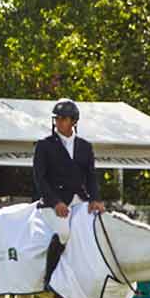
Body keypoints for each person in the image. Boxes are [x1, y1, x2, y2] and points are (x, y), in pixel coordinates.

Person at [33, 98, 104, 285]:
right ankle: (50, 279)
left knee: (95, 230)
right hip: (53, 202)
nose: (58, 122)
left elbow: (90, 175)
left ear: (73, 121)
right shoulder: (44, 145)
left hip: (79, 200)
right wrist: (56, 202)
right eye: (56, 118)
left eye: (63, 119)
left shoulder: (85, 146)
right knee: (64, 233)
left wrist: (95, 199)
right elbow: (40, 178)